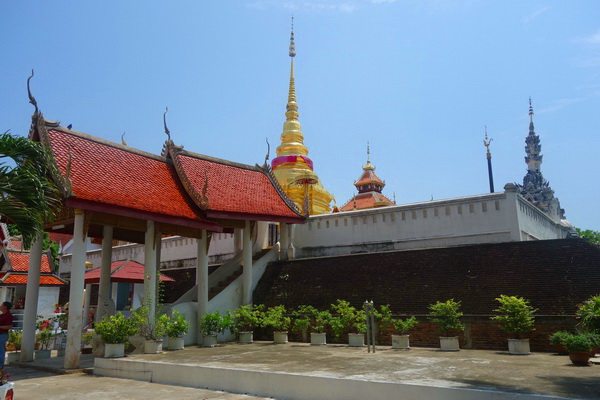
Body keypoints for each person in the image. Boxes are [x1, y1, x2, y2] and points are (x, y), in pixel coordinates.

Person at [0, 301, 14, 368]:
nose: (0, 306)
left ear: (5, 307)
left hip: (2, 335)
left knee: (1, 351)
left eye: (1, 305)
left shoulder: (8, 315)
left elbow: (9, 326)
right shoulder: (1, 315)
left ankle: (0, 367)